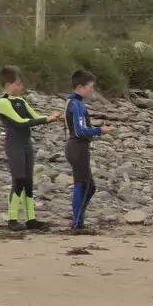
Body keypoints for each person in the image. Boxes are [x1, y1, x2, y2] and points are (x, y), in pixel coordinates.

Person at [0, 66, 61, 231]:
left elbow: (34, 116)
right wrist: (47, 119)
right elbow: (19, 122)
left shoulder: (21, 101)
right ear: (9, 84)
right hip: (14, 144)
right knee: (18, 181)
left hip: (26, 144)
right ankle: (12, 219)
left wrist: (51, 118)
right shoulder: (3, 102)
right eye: (18, 84)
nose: (21, 87)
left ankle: (31, 218)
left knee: (28, 182)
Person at [63, 70, 110, 233]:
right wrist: (99, 130)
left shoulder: (77, 103)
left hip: (79, 147)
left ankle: (79, 220)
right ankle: (76, 223)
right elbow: (80, 131)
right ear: (80, 87)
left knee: (89, 187)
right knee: (82, 184)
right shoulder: (75, 104)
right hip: (77, 147)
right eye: (90, 87)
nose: (92, 90)